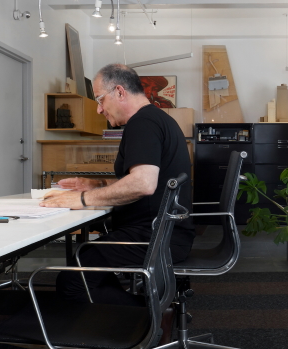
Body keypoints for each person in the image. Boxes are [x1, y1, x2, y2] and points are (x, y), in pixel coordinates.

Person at [41, 63, 194, 306]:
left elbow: (143, 183)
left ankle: (147, 320)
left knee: (73, 279)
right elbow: (146, 177)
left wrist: (82, 199)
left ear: (120, 92)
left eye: (100, 100)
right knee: (87, 259)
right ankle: (143, 316)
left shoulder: (142, 124)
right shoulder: (156, 119)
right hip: (166, 233)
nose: (100, 110)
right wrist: (97, 184)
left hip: (153, 237)